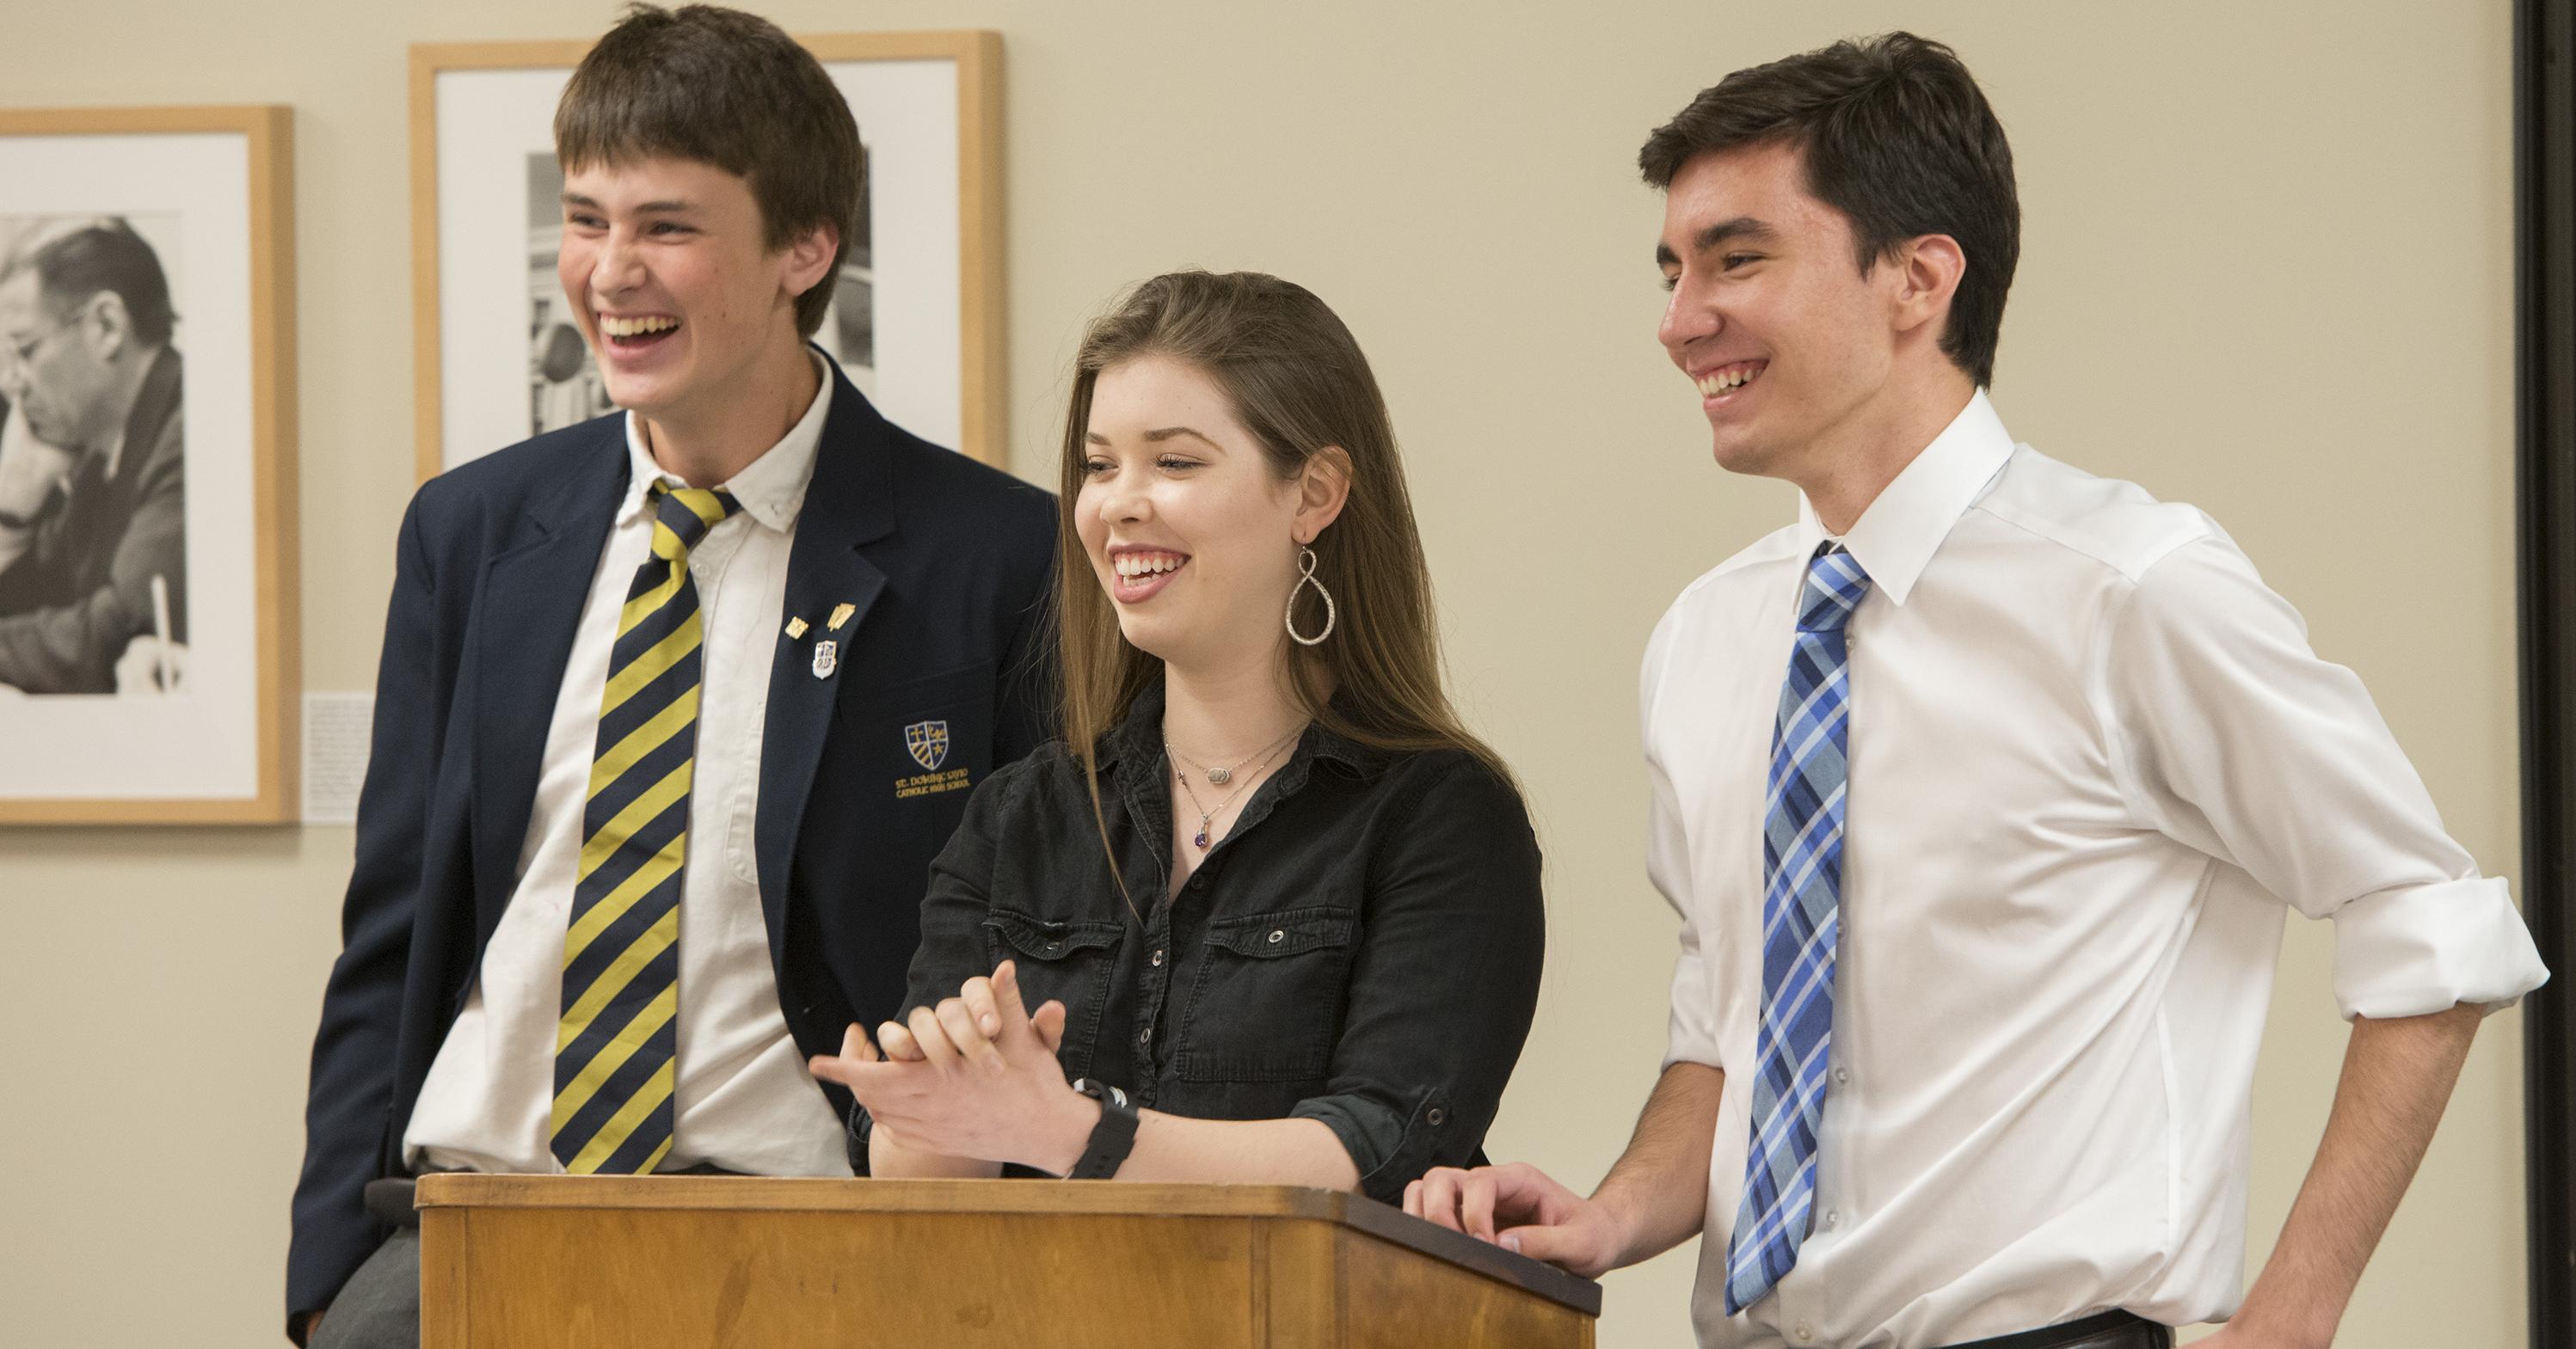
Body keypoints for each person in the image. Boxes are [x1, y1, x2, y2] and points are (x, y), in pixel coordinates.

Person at [1405, 32, 2548, 1349]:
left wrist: (2288, 1321)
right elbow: (1728, 1030)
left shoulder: (2126, 589)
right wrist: (1608, 1216)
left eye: (1735, 257)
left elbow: (2431, 929)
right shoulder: (1703, 641)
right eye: (1669, 271)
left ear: (1916, 280)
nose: (1676, 322)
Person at [286, 7, 1056, 1345]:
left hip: (810, 1244)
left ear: (804, 249)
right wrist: (323, 1283)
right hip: (468, 1228)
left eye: (668, 226)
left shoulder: (993, 557)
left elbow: (1043, 952)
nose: (607, 272)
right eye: (585, 219)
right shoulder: (467, 534)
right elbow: (393, 934)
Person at [807, 270, 1546, 1199]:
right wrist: (930, 1107)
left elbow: (1378, 1147)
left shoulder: (1441, 817)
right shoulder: (1022, 813)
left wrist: (1071, 1131)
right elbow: (917, 1167)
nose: (1117, 502)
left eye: (1175, 463)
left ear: (1313, 494)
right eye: (1098, 464)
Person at [0, 218, 185, 694]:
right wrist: (14, 512)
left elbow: (111, 631)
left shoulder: (188, 435)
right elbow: (39, 605)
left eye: (25, 349)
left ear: (106, 326)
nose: (12, 383)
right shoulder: (99, 460)